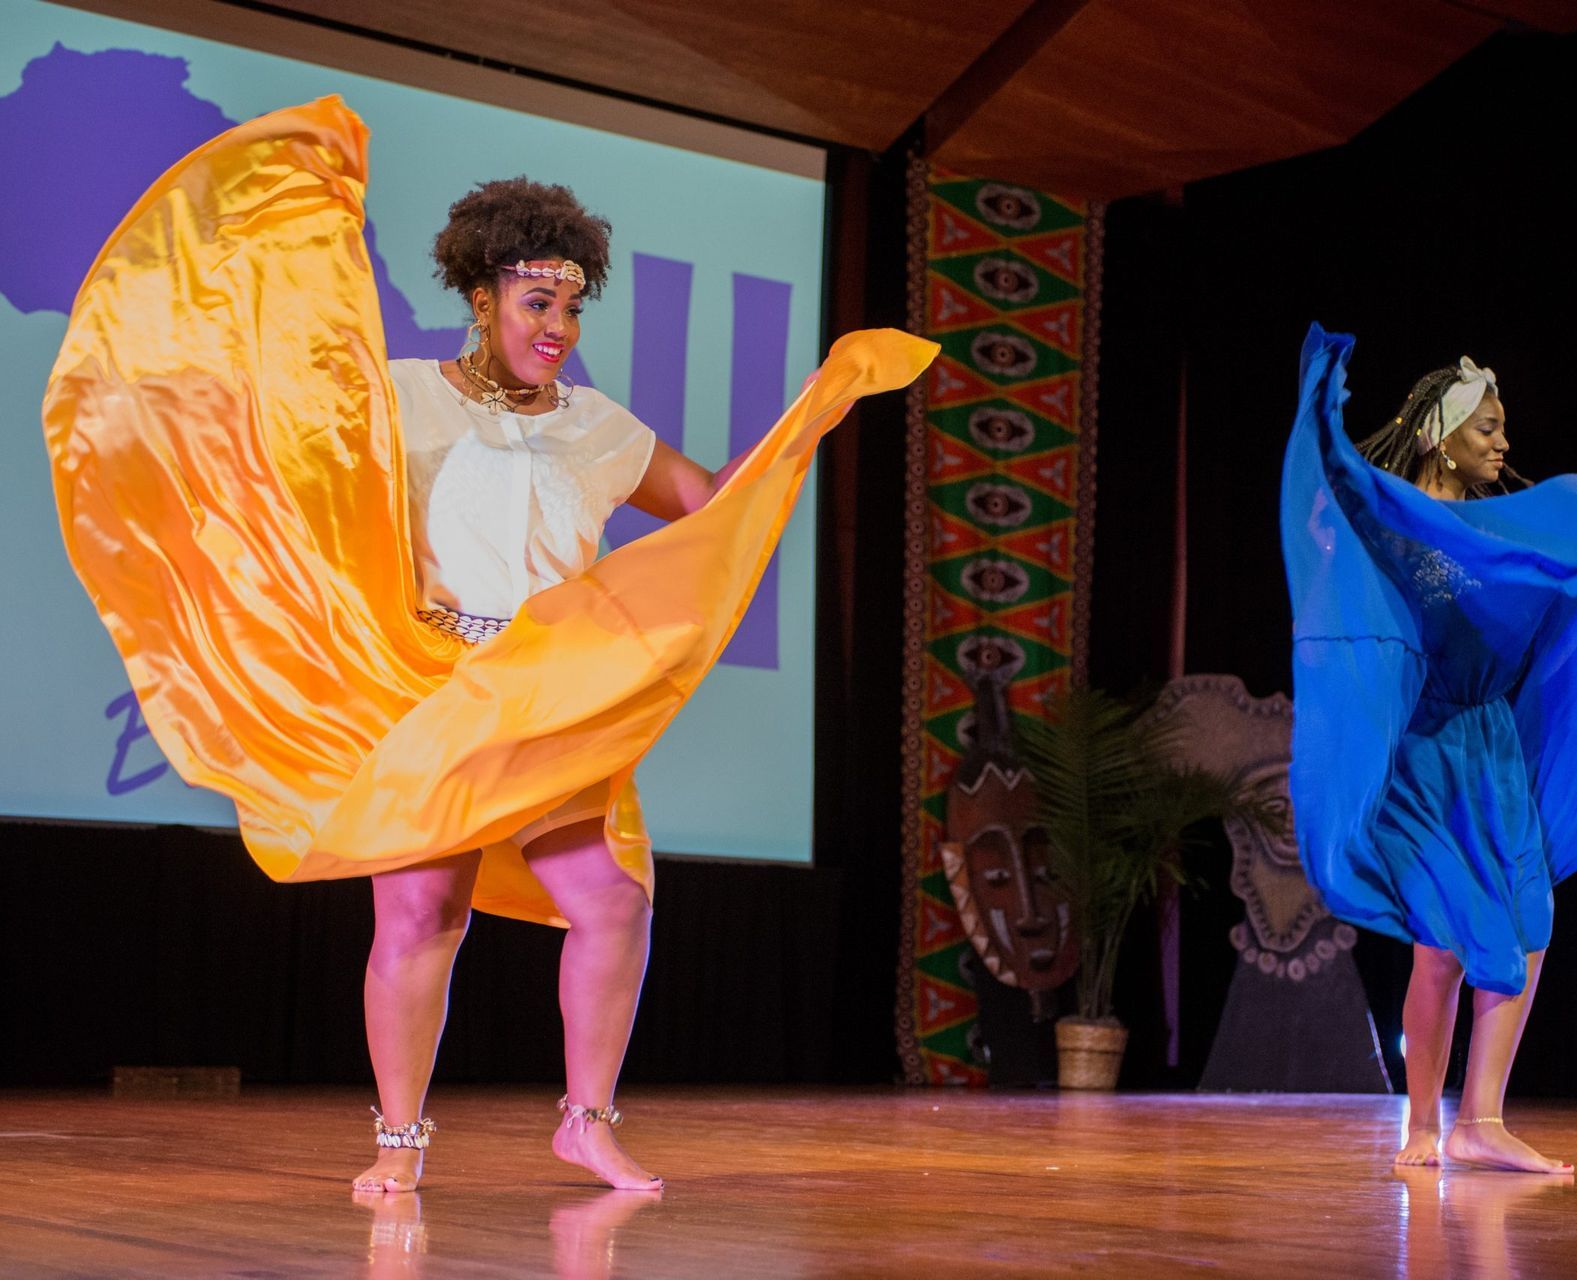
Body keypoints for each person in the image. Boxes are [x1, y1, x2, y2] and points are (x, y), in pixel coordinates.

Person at [42, 98, 933, 1194]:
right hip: (429, 687)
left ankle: (587, 1119)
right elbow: (288, 466)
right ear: (480, 296)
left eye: (570, 304)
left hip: (551, 694)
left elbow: (713, 504)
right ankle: (397, 1143)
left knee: (613, 902)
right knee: (425, 911)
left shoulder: (601, 426)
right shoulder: (403, 400)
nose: (556, 323)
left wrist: (800, 428)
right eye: (534, 299)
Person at [1281, 324, 1577, 1173]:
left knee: (1530, 922)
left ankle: (1484, 1120)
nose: (1504, 443)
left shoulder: (1514, 527)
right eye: (1486, 429)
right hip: (1424, 749)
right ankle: (1424, 1121)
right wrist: (1322, 409)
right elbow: (1343, 491)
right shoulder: (1402, 522)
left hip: (1491, 747)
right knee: (1442, 944)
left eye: (1503, 428)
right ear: (1441, 437)